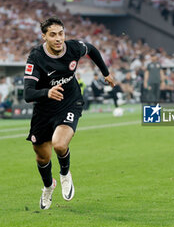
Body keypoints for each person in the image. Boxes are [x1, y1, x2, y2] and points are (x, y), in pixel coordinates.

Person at [24, 17, 114, 210]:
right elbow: (27, 94)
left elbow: (91, 49)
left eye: (61, 33)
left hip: (70, 102)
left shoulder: (73, 48)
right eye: (53, 35)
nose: (58, 38)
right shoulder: (36, 57)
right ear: (44, 37)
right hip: (44, 108)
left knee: (59, 144)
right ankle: (48, 187)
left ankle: (65, 174)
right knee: (42, 157)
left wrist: (105, 73)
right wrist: (46, 92)